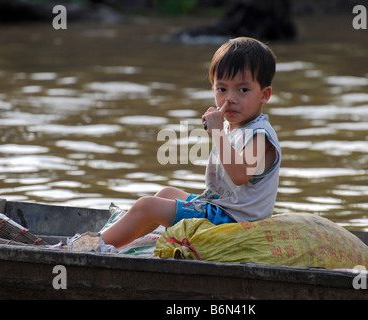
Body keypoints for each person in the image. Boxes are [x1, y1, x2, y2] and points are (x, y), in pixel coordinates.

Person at [101, 37, 281, 248]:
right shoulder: (235, 127)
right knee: (166, 194)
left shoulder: (259, 135)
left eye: (243, 90)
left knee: (147, 206)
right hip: (221, 210)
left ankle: (93, 245)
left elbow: (240, 175)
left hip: (235, 223)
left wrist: (216, 131)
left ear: (264, 95)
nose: (230, 98)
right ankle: (122, 242)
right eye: (222, 89)